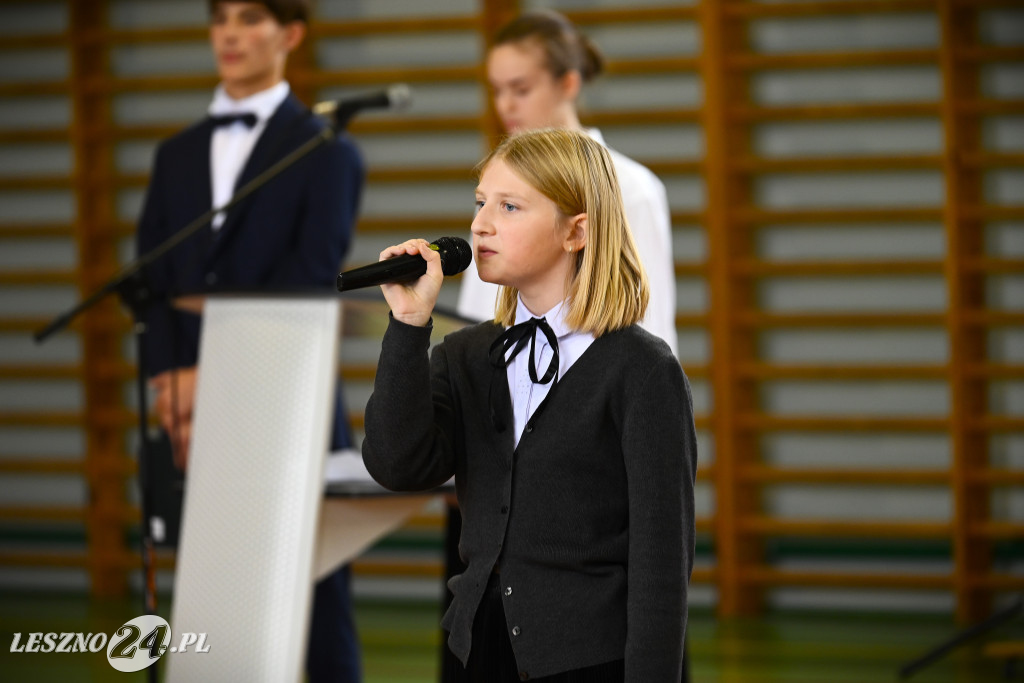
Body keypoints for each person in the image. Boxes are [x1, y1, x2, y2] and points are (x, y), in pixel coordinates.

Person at [363, 128, 697, 682]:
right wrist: (407, 326)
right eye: (480, 203)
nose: (479, 224)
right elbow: (397, 464)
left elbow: (662, 562)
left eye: (509, 206)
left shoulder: (641, 370)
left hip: (591, 659)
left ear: (576, 232)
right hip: (481, 652)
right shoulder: (466, 354)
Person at [134, 2, 363, 681]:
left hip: (287, 397)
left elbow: (308, 280)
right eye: (220, 18)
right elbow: (152, 280)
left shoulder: (328, 149)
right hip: (189, 405)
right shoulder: (173, 155)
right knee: (215, 589)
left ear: (289, 34)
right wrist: (171, 379)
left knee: (313, 594)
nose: (230, 33)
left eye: (251, 17)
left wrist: (217, 375)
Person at [458, 9, 677, 355]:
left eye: (521, 89)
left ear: (568, 84)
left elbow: (652, 323)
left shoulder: (631, 188)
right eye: (497, 90)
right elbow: (476, 312)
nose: (505, 105)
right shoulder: (499, 181)